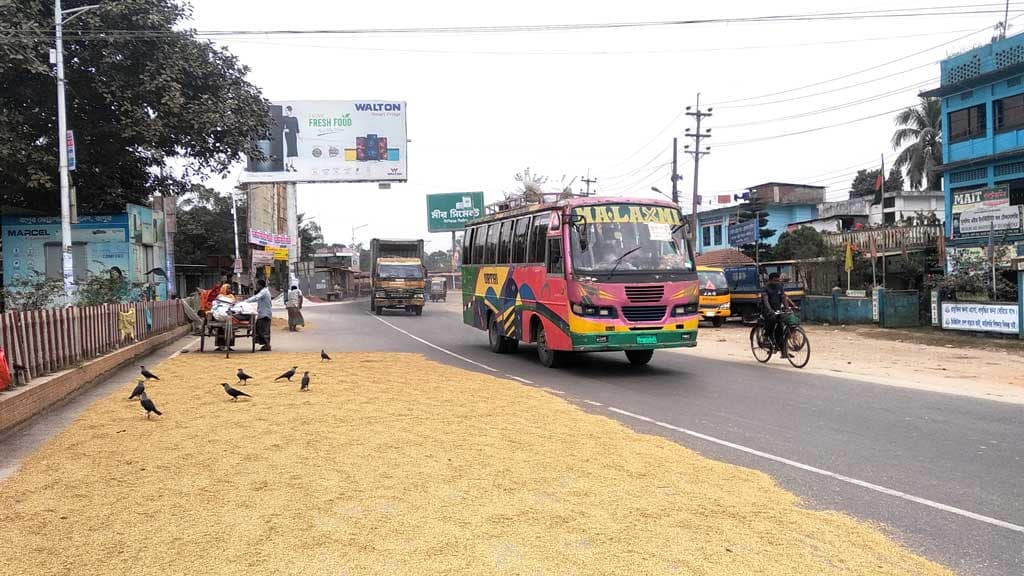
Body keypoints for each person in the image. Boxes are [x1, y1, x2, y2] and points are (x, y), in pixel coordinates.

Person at [761, 272, 796, 355]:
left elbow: (783, 298)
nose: (777, 282)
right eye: (775, 280)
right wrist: (770, 310)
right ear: (770, 280)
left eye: (778, 280)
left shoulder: (780, 287)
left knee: (780, 328)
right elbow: (765, 301)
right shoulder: (766, 288)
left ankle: (783, 351)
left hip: (778, 310)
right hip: (767, 310)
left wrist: (787, 308)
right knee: (771, 322)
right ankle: (765, 338)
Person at [245, 279, 274, 351]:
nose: (256, 286)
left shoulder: (264, 292)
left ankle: (267, 345)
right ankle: (265, 344)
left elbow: (256, 297)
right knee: (259, 328)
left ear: (260, 285)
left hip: (265, 314)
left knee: (263, 330)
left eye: (257, 285)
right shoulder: (264, 291)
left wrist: (245, 301)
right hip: (263, 313)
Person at [282, 105, 300, 172]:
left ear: (290, 111)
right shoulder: (284, 118)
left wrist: (299, 137)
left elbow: (297, 128)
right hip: (288, 135)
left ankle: (292, 164)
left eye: (287, 110)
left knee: (294, 149)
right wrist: (284, 129)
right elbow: (281, 126)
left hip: (293, 135)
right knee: (290, 149)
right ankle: (289, 165)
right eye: (285, 111)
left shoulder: (295, 118)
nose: (286, 112)